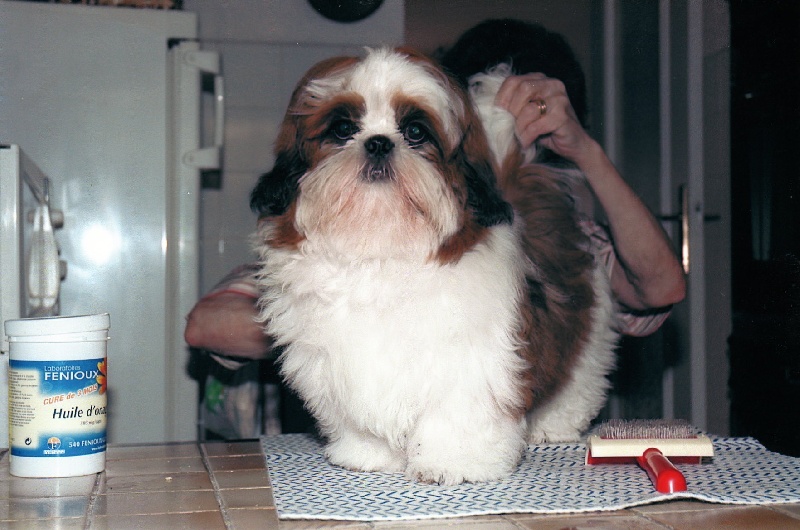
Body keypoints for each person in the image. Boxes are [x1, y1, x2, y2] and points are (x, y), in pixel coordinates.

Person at [185, 19, 685, 439]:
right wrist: (320, 320)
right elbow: (205, 324)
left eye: (415, 133)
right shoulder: (319, 234)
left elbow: (662, 288)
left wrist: (586, 151)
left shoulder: (569, 238)